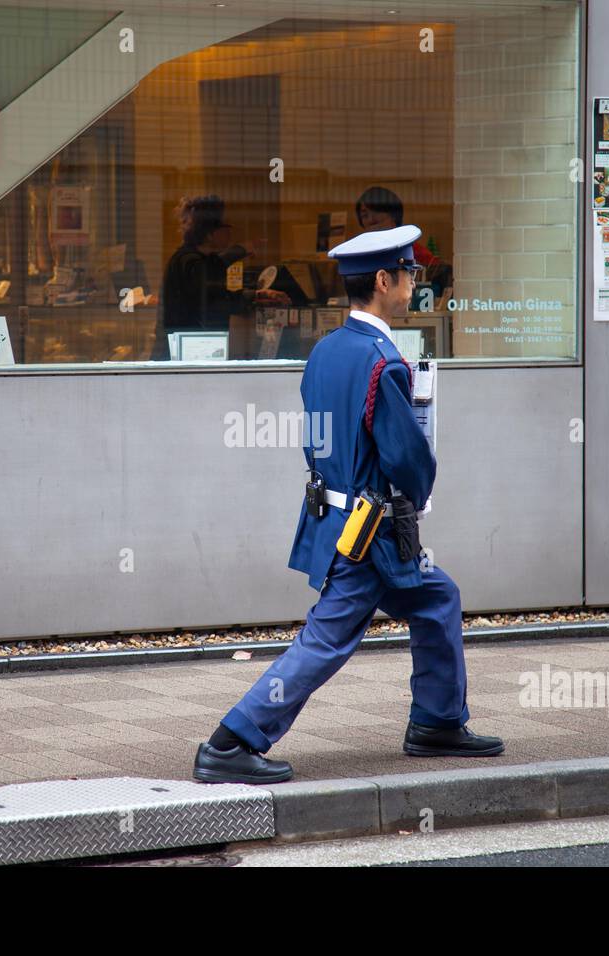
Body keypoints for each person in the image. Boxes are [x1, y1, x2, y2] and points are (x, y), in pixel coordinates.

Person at [192, 225, 505, 784]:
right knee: (327, 639)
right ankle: (231, 741)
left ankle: (437, 722)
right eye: (408, 273)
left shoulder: (327, 351)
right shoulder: (384, 360)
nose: (413, 282)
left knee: (437, 597)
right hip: (371, 534)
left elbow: (317, 438)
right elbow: (407, 456)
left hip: (337, 519)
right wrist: (417, 493)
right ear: (384, 281)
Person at [152, 195, 287, 360]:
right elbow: (216, 300)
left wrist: (241, 250)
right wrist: (258, 295)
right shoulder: (193, 264)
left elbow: (214, 265)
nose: (231, 231)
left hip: (183, 352)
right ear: (209, 234)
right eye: (226, 226)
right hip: (185, 354)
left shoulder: (190, 258)